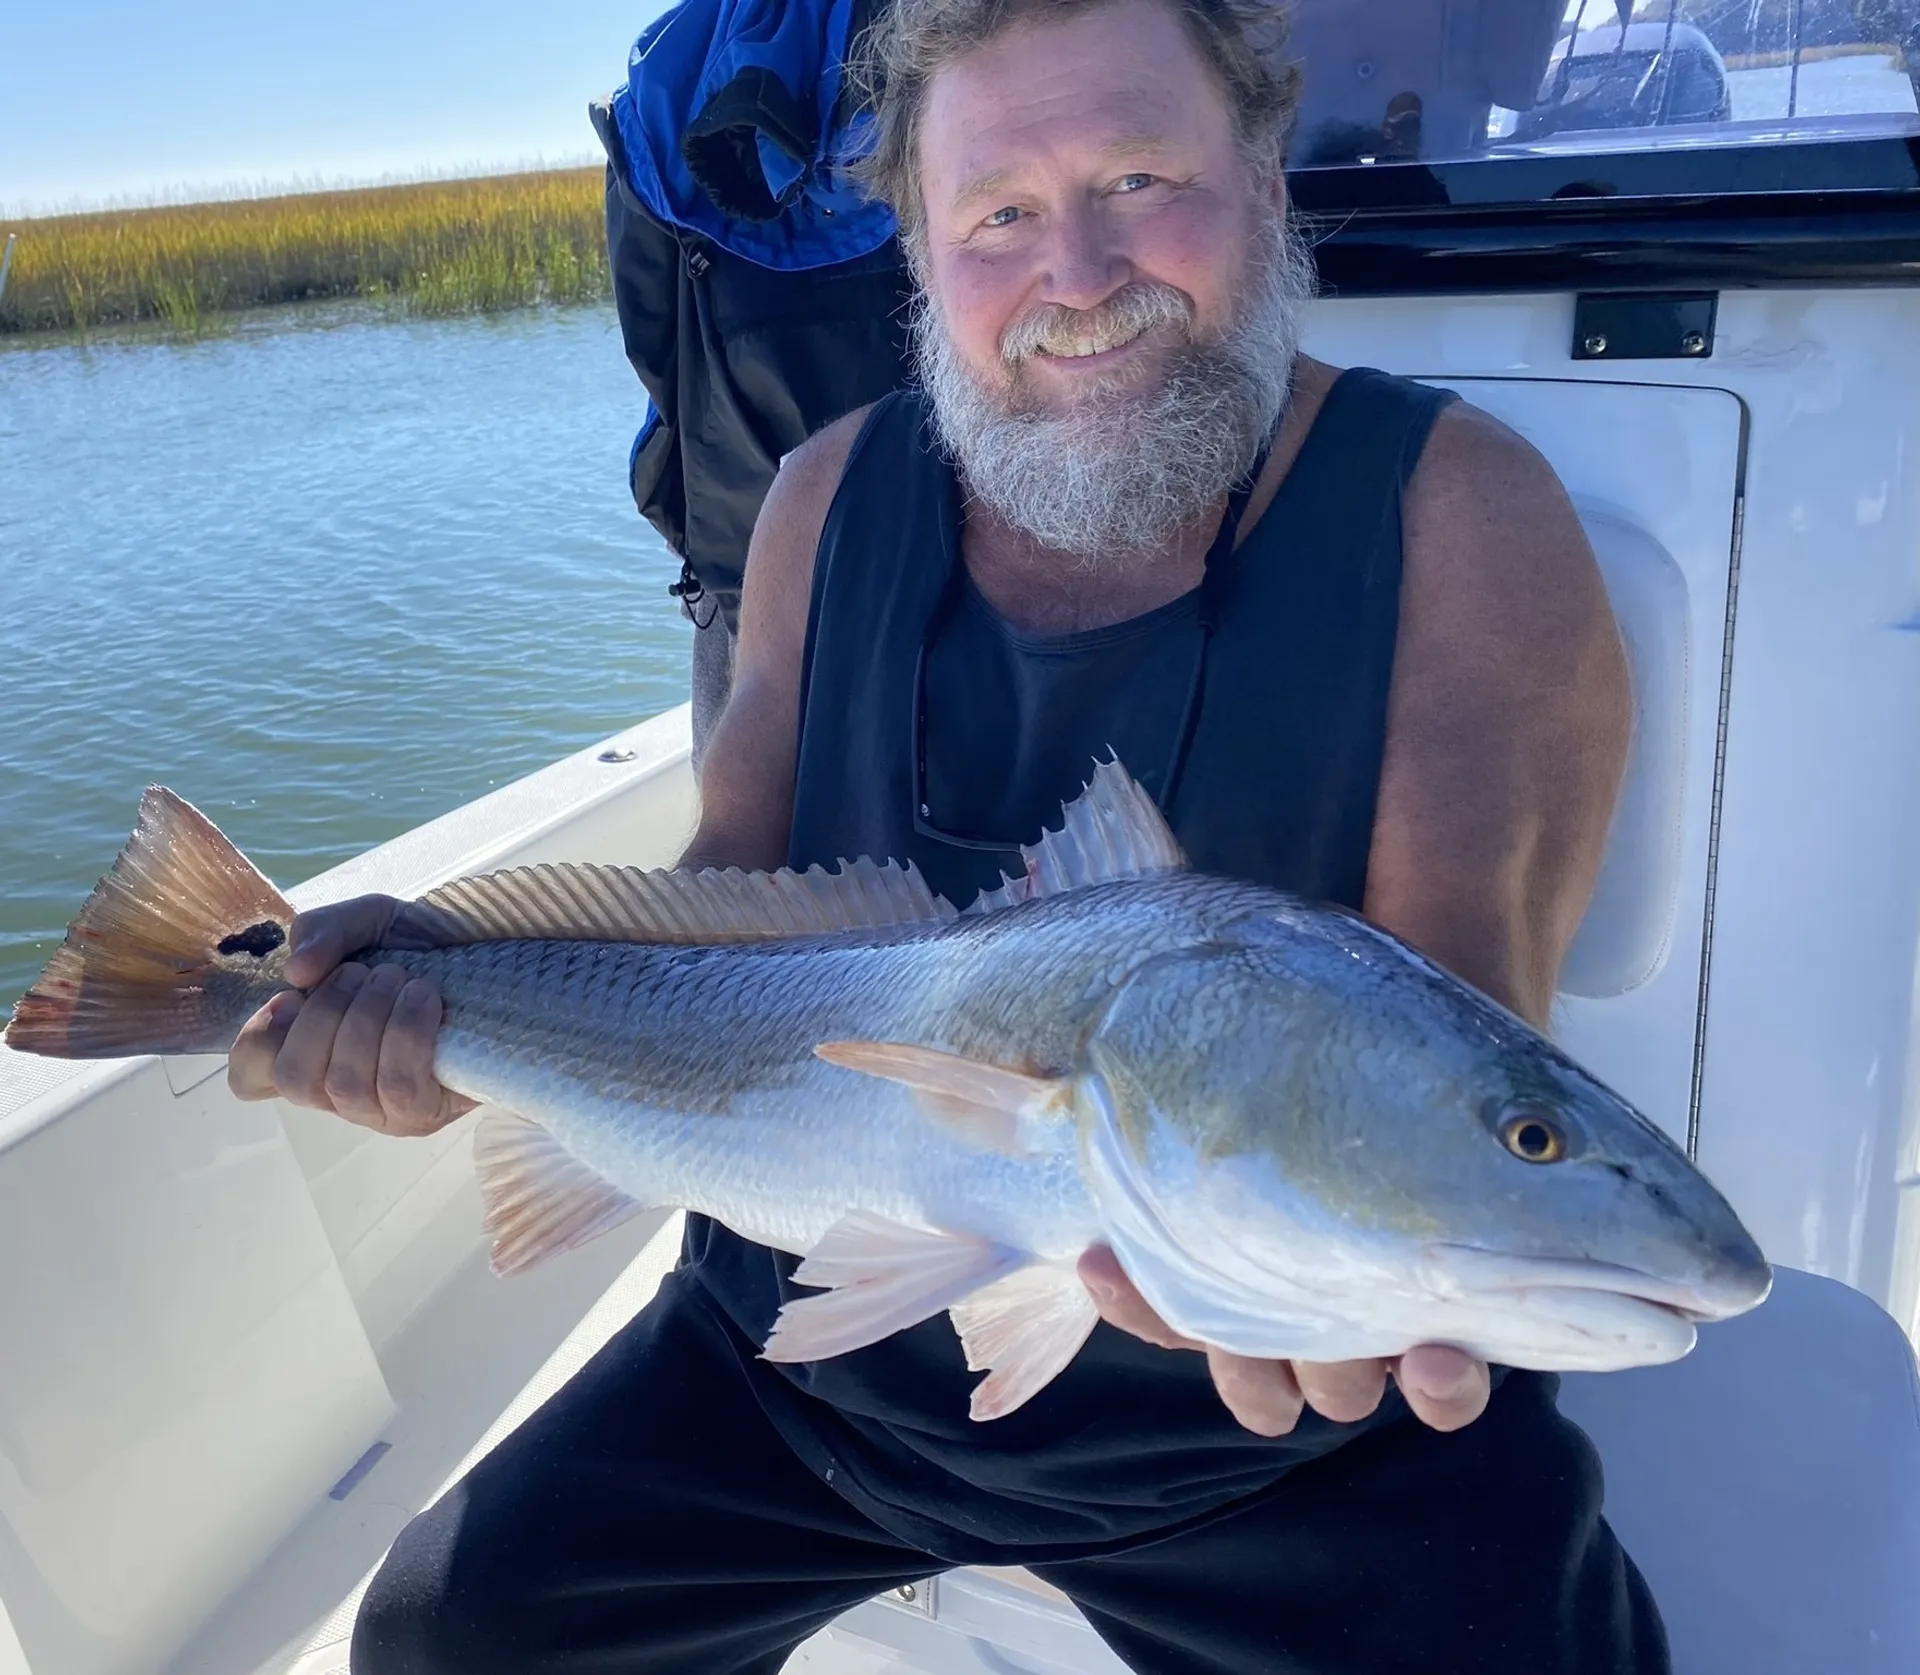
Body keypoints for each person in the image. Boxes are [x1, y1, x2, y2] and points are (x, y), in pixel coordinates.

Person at [230, 1, 1653, 1669]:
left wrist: (1363, 1289)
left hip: (1284, 1432)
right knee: (442, 1634)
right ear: (917, 250)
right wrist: (453, 997)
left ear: (1266, 178)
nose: (1079, 276)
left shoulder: (1458, 514)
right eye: (997, 214)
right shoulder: (826, 497)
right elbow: (714, 912)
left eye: (1139, 179)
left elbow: (1445, 1033)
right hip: (801, 1371)